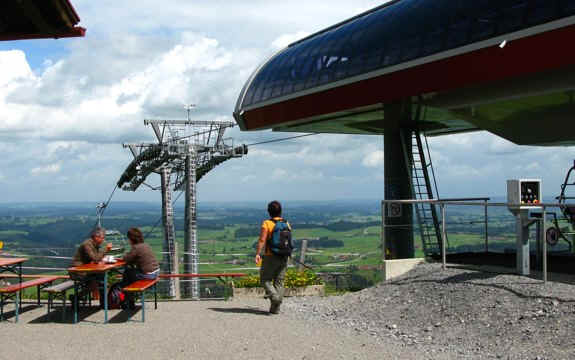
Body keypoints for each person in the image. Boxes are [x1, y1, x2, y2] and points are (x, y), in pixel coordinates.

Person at [254, 200, 291, 314]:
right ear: (280, 211)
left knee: (265, 279)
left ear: (269, 212)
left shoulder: (267, 223)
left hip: (271, 256)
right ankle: (275, 309)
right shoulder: (287, 223)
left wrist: (258, 253)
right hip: (284, 255)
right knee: (279, 281)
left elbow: (262, 240)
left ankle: (275, 297)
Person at [69, 227, 113, 302]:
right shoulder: (87, 244)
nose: (103, 240)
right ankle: (77, 297)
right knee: (97, 280)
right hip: (77, 271)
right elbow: (96, 258)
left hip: (86, 270)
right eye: (102, 238)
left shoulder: (95, 244)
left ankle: (104, 302)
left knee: (101, 278)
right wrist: (106, 249)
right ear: (96, 237)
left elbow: (96, 258)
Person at [119, 227, 159, 309]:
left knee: (127, 274)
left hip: (148, 275)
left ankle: (126, 301)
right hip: (156, 273)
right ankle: (127, 300)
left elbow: (126, 259)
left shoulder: (136, 248)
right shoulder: (145, 245)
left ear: (131, 239)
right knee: (129, 274)